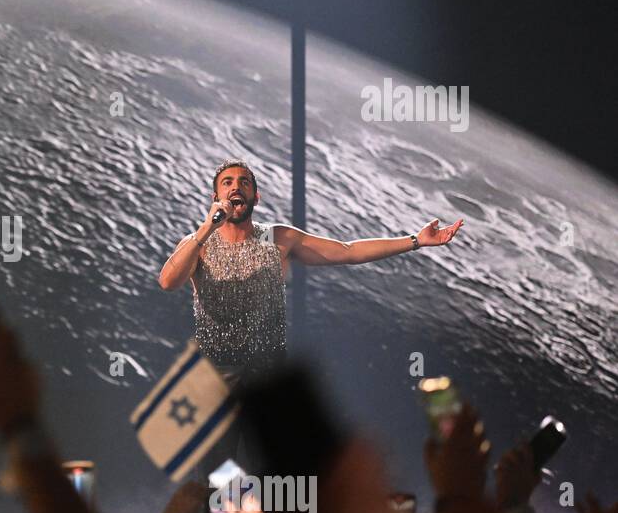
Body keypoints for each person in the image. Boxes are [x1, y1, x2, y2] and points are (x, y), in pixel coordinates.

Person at [159, 159, 463, 384]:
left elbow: (348, 251)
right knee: (219, 469)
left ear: (256, 197)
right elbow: (168, 282)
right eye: (227, 183)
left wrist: (415, 241)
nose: (236, 186)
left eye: (244, 182)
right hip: (215, 378)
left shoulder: (276, 239)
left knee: (274, 467)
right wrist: (206, 228)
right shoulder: (198, 243)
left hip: (268, 378)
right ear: (216, 198)